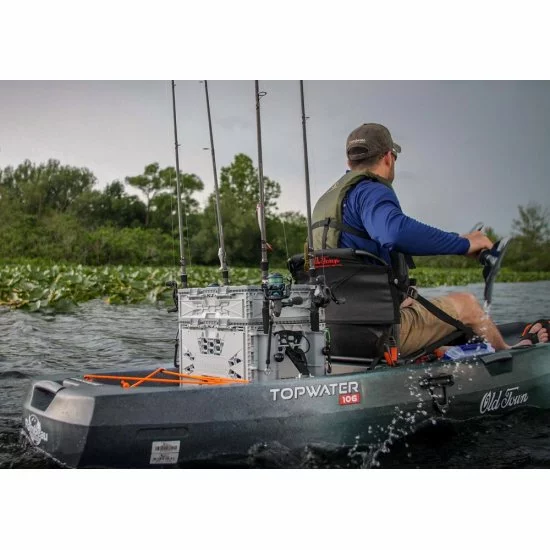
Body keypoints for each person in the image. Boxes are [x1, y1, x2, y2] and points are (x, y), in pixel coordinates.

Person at [311, 122, 548, 357]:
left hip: (333, 333)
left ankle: (445, 353)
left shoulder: (328, 203)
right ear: (388, 158)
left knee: (416, 303)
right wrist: (465, 244)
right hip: (377, 335)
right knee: (467, 304)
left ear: (349, 163)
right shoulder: (371, 191)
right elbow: (393, 233)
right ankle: (510, 353)